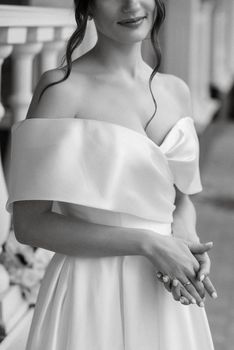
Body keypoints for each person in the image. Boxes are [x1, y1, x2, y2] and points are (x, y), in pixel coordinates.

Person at [6, 0, 217, 349]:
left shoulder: (177, 90)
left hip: (164, 290)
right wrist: (149, 244)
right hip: (91, 292)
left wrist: (185, 241)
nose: (131, 5)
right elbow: (29, 225)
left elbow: (182, 200)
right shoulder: (61, 89)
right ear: (87, 6)